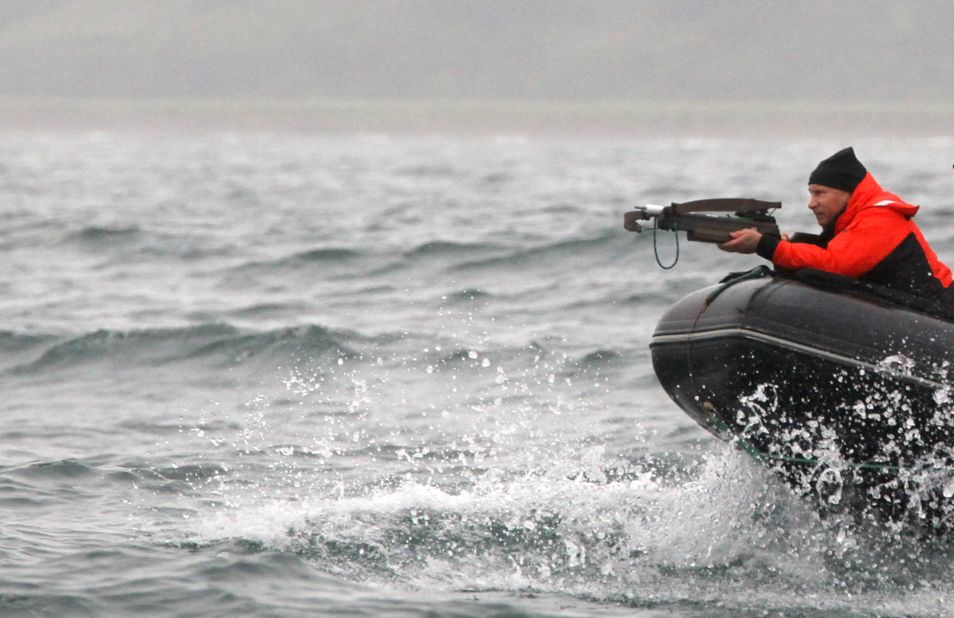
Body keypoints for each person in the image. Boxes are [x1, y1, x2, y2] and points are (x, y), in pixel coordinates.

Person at [718, 147, 953, 301]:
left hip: (937, 311)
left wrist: (766, 245)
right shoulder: (854, 224)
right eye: (811, 193)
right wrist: (780, 246)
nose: (811, 203)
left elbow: (834, 265)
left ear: (847, 193)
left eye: (820, 193)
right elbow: (830, 255)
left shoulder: (881, 218)